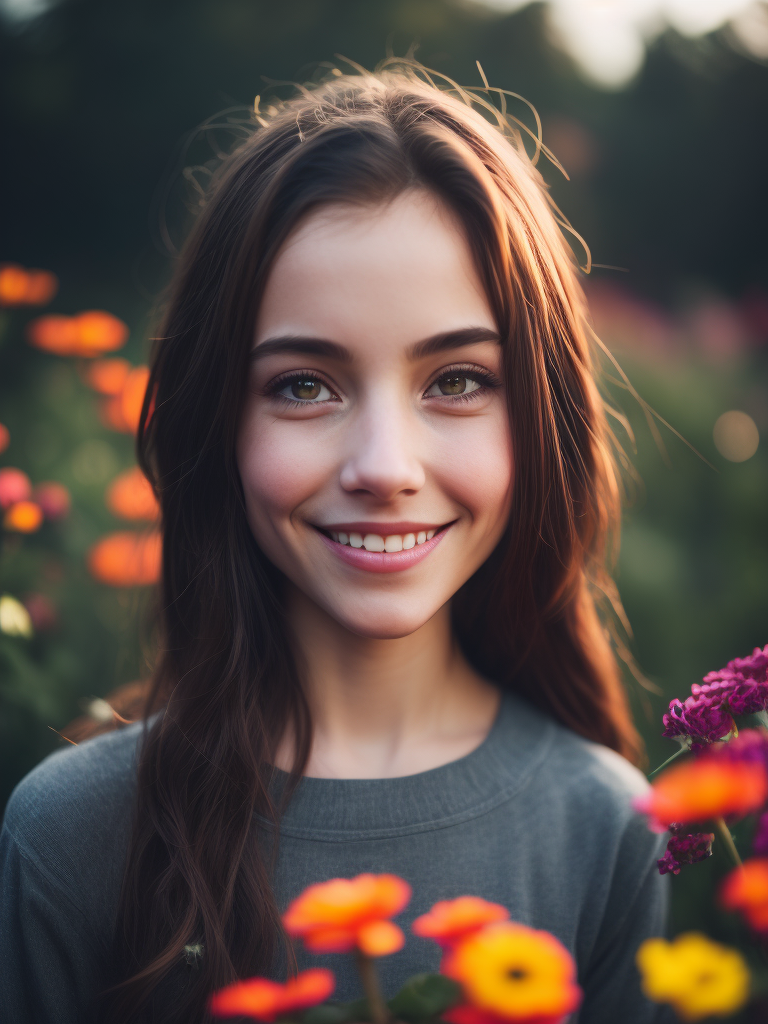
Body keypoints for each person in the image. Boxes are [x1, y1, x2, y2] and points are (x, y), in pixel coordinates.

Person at [0, 62, 669, 1024]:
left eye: (458, 380)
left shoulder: (605, 831)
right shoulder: (73, 838)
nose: (384, 466)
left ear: (540, 417)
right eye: (305, 385)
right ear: (216, 424)